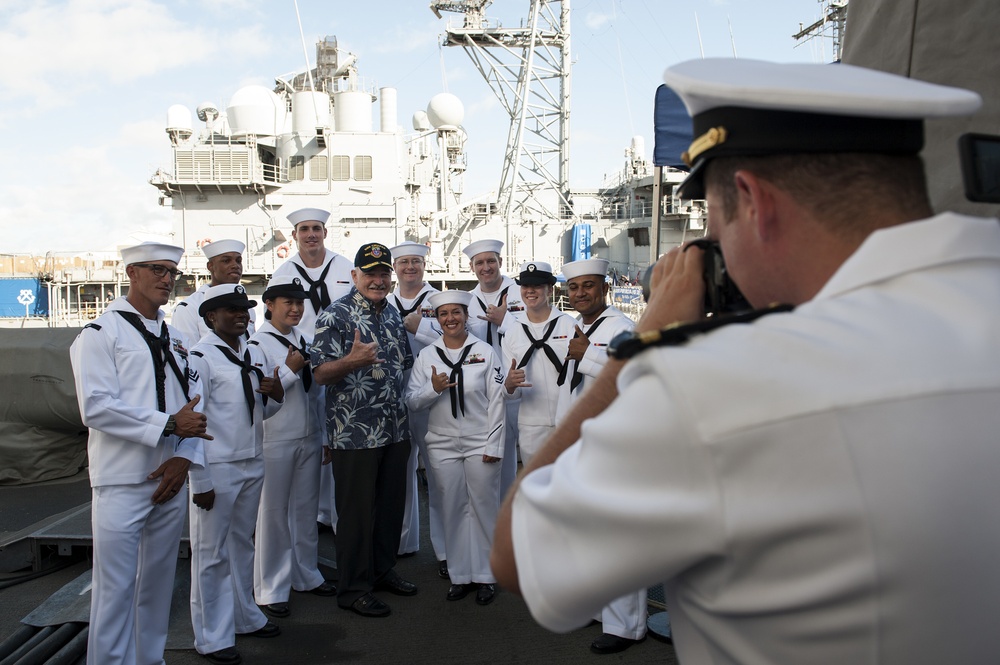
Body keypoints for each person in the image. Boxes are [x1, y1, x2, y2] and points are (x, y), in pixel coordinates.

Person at [491, 59, 1000, 664]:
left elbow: (517, 551)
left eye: (710, 217)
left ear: (753, 201)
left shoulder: (710, 387)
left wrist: (643, 349)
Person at [69, 241, 210, 665]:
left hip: (170, 474)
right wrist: (167, 426)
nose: (167, 279)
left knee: (156, 586)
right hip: (122, 478)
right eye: (157, 270)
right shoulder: (100, 334)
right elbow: (95, 406)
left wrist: (184, 457)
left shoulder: (179, 338)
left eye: (172, 272)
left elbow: (195, 405)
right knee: (115, 589)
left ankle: (150, 659)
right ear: (131, 273)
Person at [311, 242, 418, 618]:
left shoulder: (390, 313)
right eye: (369, 273)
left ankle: (381, 569)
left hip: (394, 427)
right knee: (355, 514)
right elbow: (320, 373)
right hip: (354, 432)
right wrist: (351, 361)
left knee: (390, 507)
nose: (377, 280)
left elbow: (404, 362)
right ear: (354, 275)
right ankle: (353, 588)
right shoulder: (334, 315)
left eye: (383, 273)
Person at [187, 284, 285, 665]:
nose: (243, 314)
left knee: (242, 544)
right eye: (232, 309)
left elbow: (258, 412)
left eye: (244, 308)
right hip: (219, 466)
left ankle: (244, 615)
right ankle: (210, 637)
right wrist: (201, 480)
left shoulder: (247, 354)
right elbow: (192, 422)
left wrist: (275, 395)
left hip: (251, 460)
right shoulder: (201, 358)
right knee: (209, 554)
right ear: (212, 318)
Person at [560, 258, 646, 655]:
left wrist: (586, 355)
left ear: (604, 288)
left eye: (588, 286)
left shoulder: (621, 328)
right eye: (574, 287)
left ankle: (626, 626)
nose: (580, 293)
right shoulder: (582, 327)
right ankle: (599, 608)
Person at [405, 290, 506, 606]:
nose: (450, 319)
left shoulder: (485, 351)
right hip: (443, 445)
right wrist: (433, 389)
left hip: (480, 441)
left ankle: (488, 575)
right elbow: (412, 401)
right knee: (453, 507)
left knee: (483, 507)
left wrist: (495, 443)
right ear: (437, 318)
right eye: (443, 314)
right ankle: (461, 575)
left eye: (456, 313)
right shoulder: (427, 356)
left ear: (466, 316)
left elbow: (498, 401)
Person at [251, 275, 336, 622]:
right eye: (288, 303)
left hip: (307, 435)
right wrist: (288, 371)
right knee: (272, 514)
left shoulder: (303, 339)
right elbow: (261, 394)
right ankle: (271, 587)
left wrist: (325, 435)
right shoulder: (256, 346)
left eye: (300, 303)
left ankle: (306, 574)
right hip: (275, 437)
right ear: (269, 306)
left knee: (304, 511)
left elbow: (316, 394)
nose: (296, 309)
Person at [271, 208, 353, 535]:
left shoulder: (346, 267)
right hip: (303, 364)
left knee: (341, 436)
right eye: (304, 229)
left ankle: (338, 514)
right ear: (294, 235)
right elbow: (275, 322)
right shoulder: (283, 272)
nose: (310, 235)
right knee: (312, 437)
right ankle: (318, 513)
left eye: (316, 228)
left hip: (343, 364)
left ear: (325, 233)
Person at [387, 241, 447, 571]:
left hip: (431, 388)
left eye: (416, 261)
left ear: (424, 265)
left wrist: (421, 327)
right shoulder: (382, 299)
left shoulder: (439, 300)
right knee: (400, 469)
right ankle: (404, 540)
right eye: (403, 262)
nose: (410, 267)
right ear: (395, 267)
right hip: (394, 390)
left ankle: (444, 549)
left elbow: (454, 340)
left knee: (437, 469)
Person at [500, 261, 576, 464]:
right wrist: (510, 384)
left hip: (570, 419)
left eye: (537, 286)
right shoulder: (512, 333)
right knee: (536, 486)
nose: (530, 291)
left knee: (571, 487)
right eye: (526, 286)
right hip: (531, 425)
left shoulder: (570, 326)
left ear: (550, 289)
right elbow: (510, 393)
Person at [462, 238, 522, 495]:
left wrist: (506, 320)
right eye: (479, 263)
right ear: (472, 267)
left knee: (521, 458)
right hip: (484, 390)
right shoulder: (467, 299)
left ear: (500, 262)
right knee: (492, 461)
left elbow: (537, 332)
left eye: (491, 261)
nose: (486, 267)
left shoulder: (521, 292)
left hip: (517, 386)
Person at [172, 238, 256, 347]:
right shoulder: (190, 308)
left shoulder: (248, 309)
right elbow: (187, 354)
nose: (235, 265)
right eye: (226, 261)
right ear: (210, 266)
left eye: (238, 261)